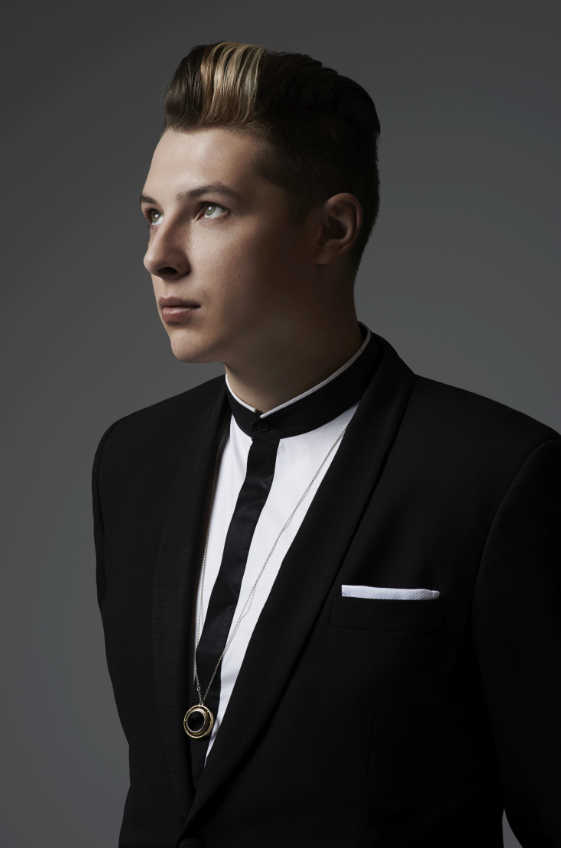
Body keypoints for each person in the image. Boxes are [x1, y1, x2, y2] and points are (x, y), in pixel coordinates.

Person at [92, 41, 561, 848]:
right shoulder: (131, 460)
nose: (157, 256)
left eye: (209, 209)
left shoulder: (497, 477)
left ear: (331, 229)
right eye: (151, 214)